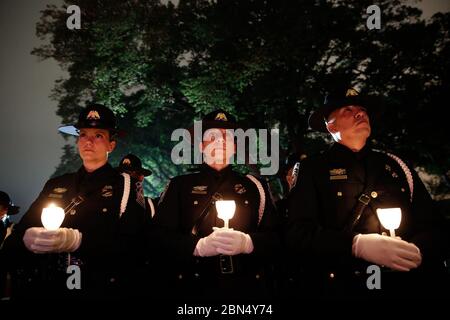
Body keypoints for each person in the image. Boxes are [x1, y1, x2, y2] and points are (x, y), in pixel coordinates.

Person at [285, 87, 450, 299]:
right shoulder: (312, 170)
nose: (360, 113)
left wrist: (416, 250)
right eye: (348, 110)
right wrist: (355, 245)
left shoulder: (397, 166)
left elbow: (434, 225)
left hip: (407, 285)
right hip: (346, 286)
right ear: (330, 124)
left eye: (362, 109)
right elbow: (298, 234)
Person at [1, 103, 150, 300]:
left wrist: (79, 241)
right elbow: (23, 230)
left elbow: (136, 244)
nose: (89, 141)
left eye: (98, 135)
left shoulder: (125, 186)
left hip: (100, 288)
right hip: (51, 287)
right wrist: (25, 240)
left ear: (111, 145)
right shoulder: (56, 184)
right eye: (83, 134)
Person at [152, 109, 281, 301]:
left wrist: (249, 243)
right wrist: (197, 246)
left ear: (235, 146)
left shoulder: (256, 187)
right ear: (201, 145)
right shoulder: (179, 186)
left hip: (245, 289)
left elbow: (277, 237)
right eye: (212, 136)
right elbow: (158, 237)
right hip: (193, 288)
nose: (220, 141)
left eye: (226, 136)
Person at [117, 153, 156, 218]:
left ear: (141, 177)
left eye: (130, 173)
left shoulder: (148, 205)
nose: (126, 177)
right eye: (123, 173)